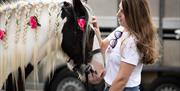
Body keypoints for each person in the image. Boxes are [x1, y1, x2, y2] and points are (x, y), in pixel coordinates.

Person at [90, 0, 160, 91]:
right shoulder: (121, 30)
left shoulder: (132, 41)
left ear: (133, 14)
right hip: (111, 87)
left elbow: (121, 80)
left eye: (122, 11)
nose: (117, 14)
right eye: (119, 9)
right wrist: (96, 29)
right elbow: (103, 48)